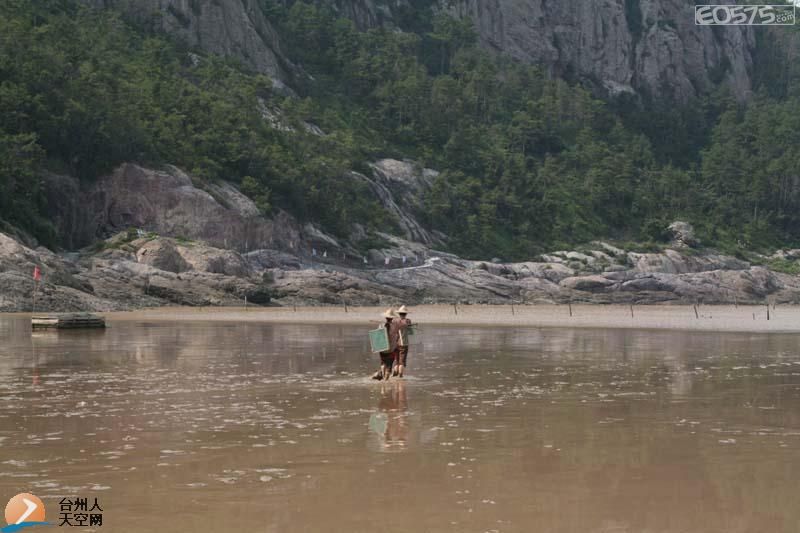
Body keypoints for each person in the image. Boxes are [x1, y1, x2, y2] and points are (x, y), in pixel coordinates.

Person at [372, 309, 400, 380]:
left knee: (383, 363)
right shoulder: (394, 326)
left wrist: (375, 347)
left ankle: (383, 377)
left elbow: (377, 336)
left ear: (385, 317)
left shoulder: (381, 325)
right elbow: (397, 336)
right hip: (391, 349)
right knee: (389, 365)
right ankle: (385, 381)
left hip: (382, 348)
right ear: (392, 318)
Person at [393, 305, 412, 377]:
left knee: (396, 361)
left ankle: (394, 374)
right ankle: (400, 376)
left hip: (395, 343)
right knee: (402, 361)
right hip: (403, 343)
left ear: (399, 313)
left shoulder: (395, 321)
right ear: (406, 314)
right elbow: (410, 331)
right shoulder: (407, 321)